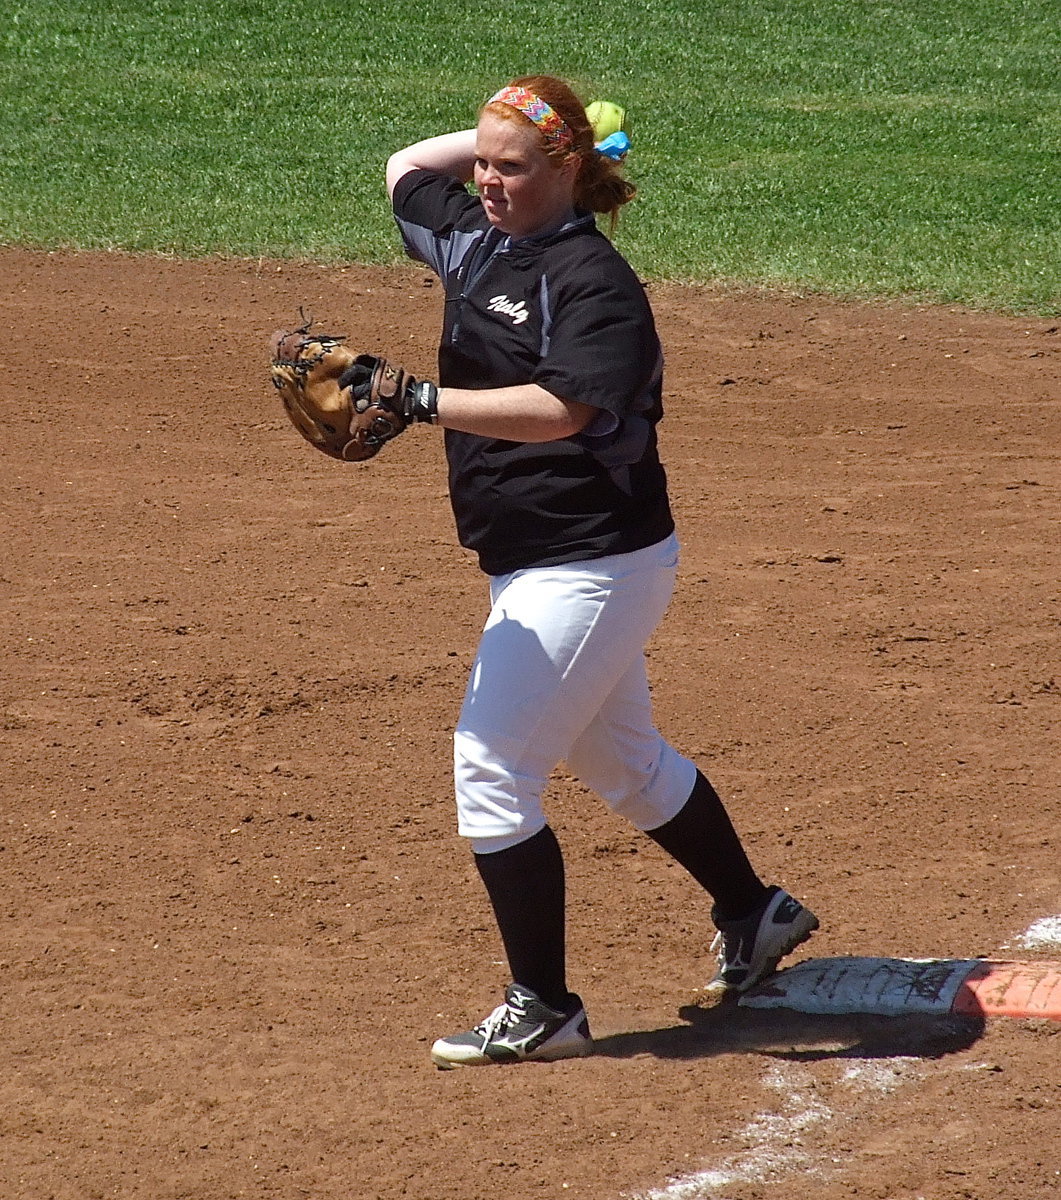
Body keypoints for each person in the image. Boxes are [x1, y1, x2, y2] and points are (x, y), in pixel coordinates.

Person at [372, 75, 818, 1069]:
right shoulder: (469, 236)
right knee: (623, 761)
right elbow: (406, 169)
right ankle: (755, 914)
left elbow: (561, 409)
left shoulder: (592, 284)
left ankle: (544, 1007)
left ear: (565, 172)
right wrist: (513, 121)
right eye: (481, 163)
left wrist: (418, 401)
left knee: (490, 771)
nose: (485, 181)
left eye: (512, 167)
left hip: (593, 565)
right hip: (532, 563)